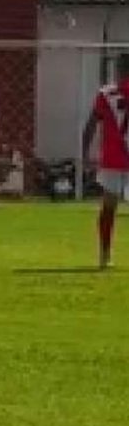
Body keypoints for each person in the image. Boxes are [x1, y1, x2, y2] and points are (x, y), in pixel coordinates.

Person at [81, 53, 129, 270]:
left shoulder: (105, 94)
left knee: (109, 207)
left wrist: (85, 155)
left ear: (118, 69)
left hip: (112, 158)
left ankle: (105, 254)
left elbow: (90, 125)